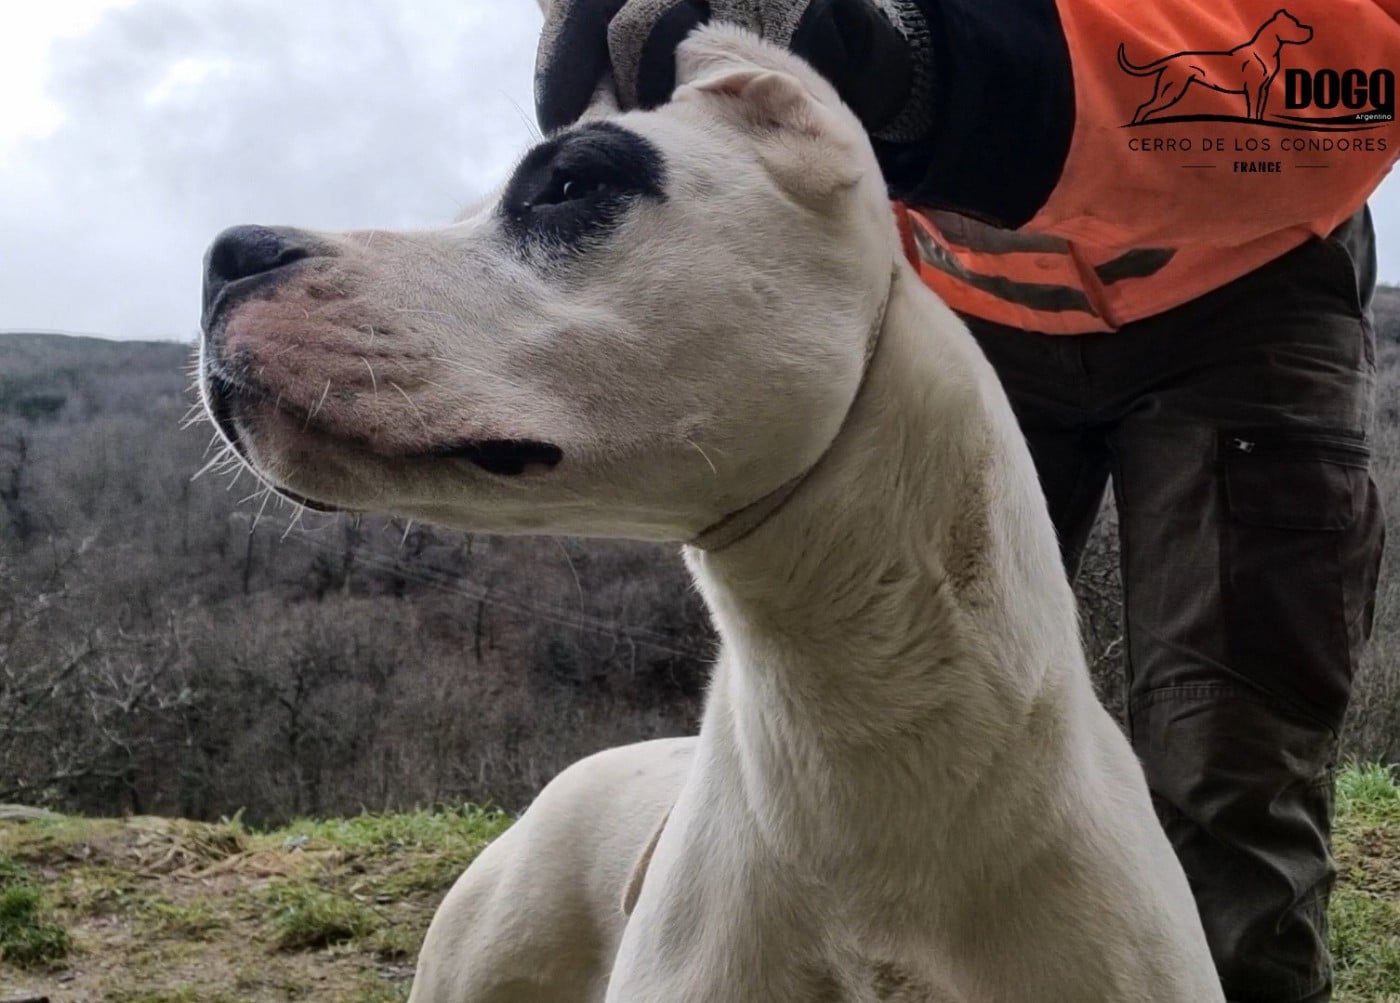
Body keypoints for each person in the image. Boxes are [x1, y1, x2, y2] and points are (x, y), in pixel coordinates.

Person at [534, 2, 1400, 1001]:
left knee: (1230, 772)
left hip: (1246, 287)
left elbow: (1363, 58)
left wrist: (954, 59)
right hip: (948, 292)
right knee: (869, 735)